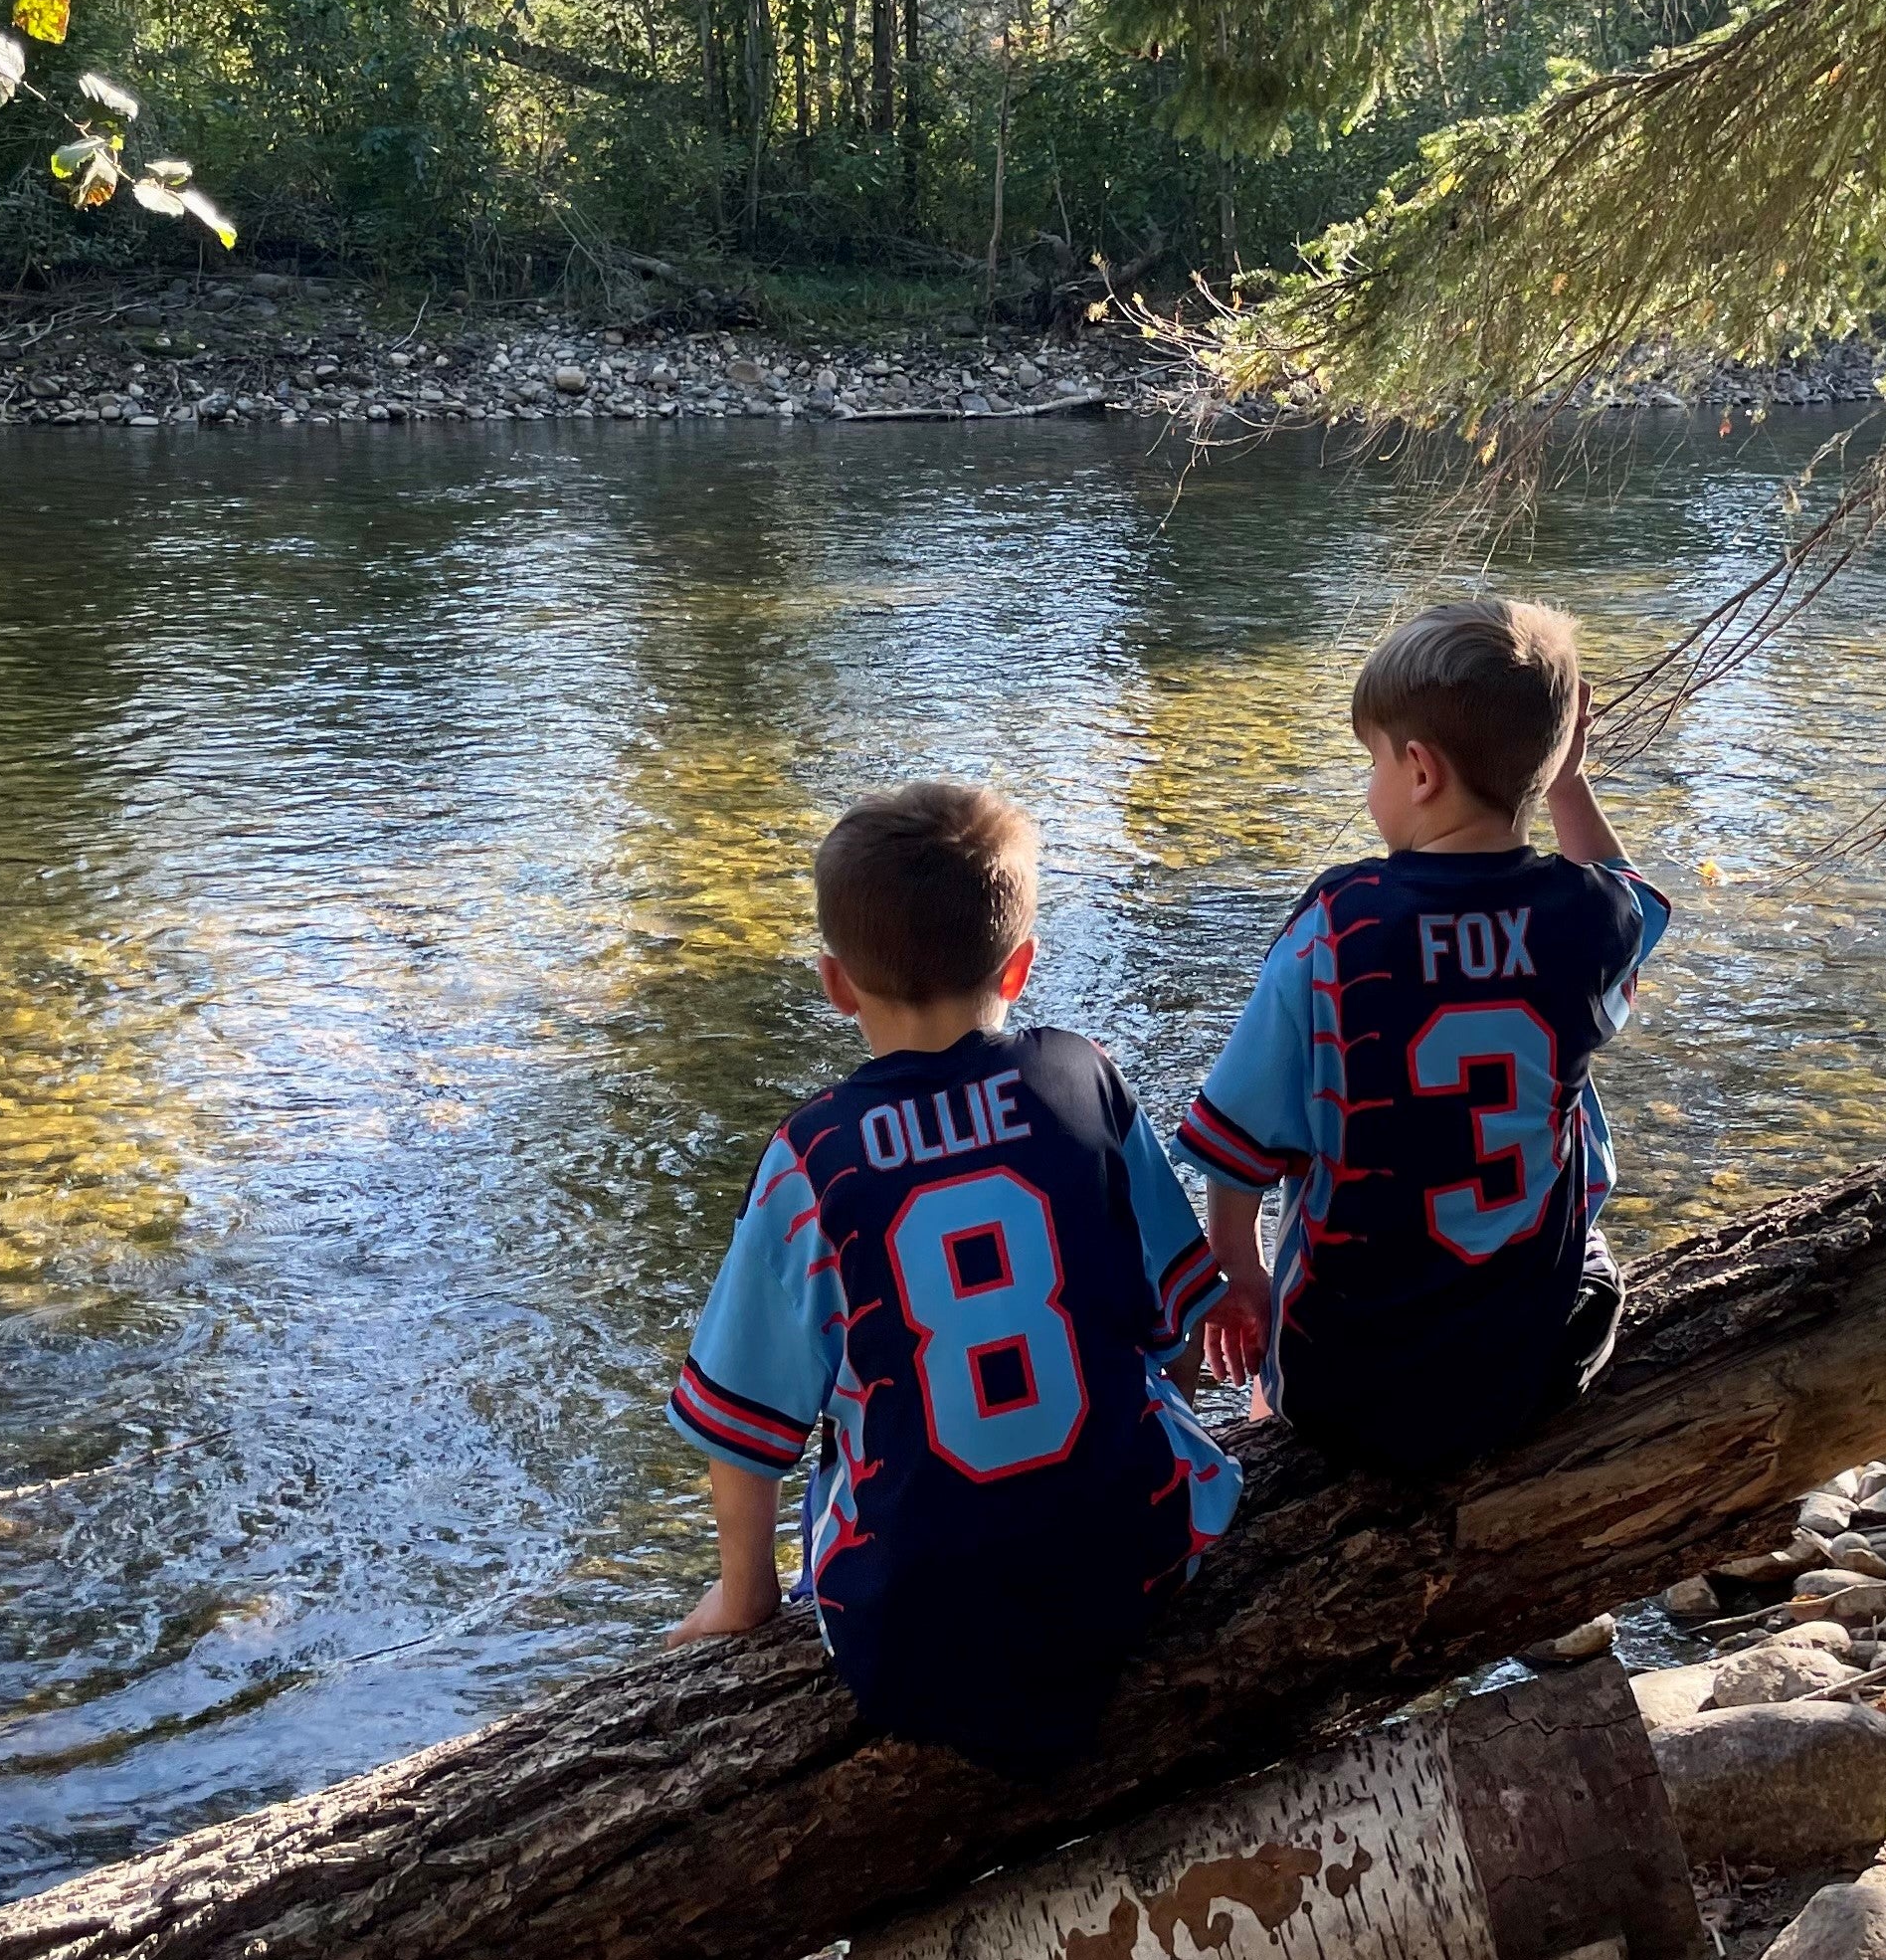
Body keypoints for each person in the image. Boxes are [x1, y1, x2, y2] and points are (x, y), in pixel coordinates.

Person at [664, 781, 1234, 1773]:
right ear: (1021, 963)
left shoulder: (814, 1158)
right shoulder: (1082, 1079)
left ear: (836, 984)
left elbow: (743, 1427)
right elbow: (1178, 1314)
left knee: (851, 1431)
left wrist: (741, 1596)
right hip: (1140, 1574)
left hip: (906, 1643)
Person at [1181, 598, 1671, 1476]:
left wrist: (1236, 1267)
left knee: (1327, 1120)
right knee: (1569, 1130)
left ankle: (1273, 1404)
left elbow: (1235, 1139)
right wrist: (1564, 779)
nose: (1369, 784)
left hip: (1345, 1387)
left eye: (1370, 761)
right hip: (1536, 1365)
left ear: (1419, 771)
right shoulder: (1590, 917)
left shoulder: (1338, 926)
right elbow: (1634, 897)